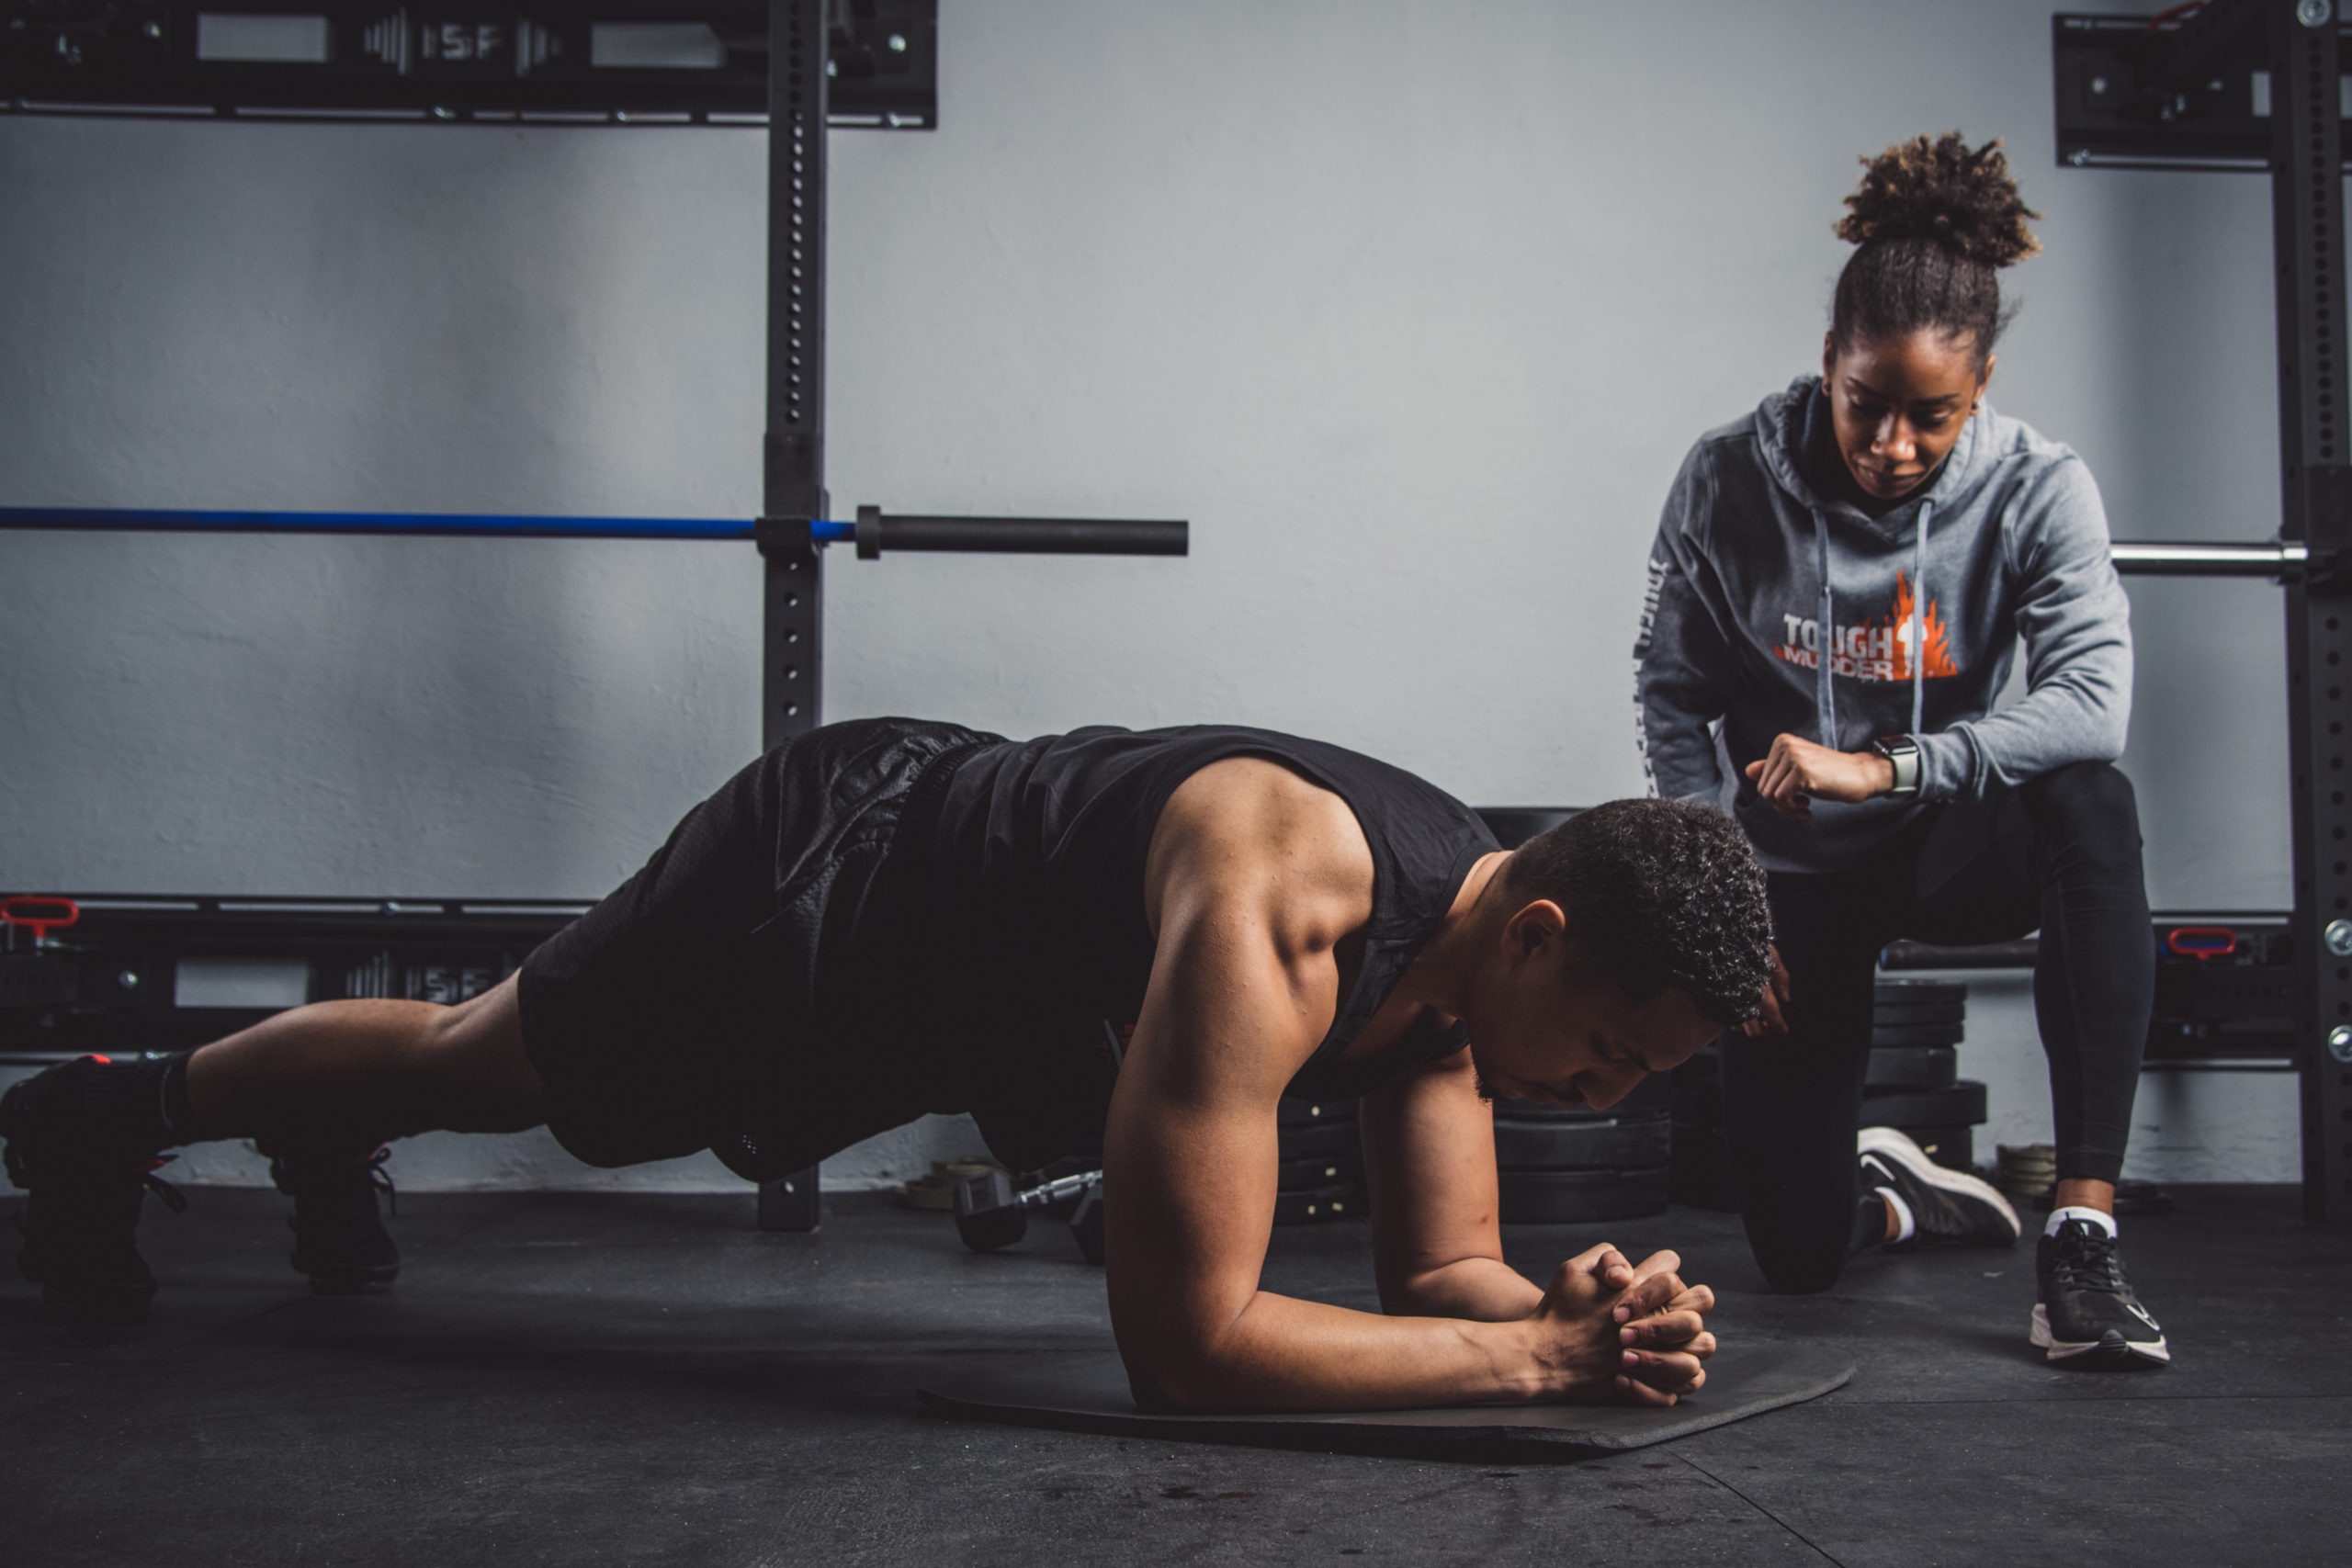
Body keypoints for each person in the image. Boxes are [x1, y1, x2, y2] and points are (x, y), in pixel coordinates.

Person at [3, 718, 1772, 1411]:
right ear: (1537, 935)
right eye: (1610, 1058)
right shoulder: (1285, 918)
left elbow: (1441, 1276)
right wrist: (1527, 1372)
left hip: (952, 970)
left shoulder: (1464, 972)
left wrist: (1576, 1307)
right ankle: (114, 1107)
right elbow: (1191, 1348)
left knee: (538, 1098)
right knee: (496, 1067)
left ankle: (318, 1138)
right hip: (831, 872)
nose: (1598, 1105)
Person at [1635, 132, 2165, 1369]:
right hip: (1794, 876)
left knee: (2091, 803)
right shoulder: (1727, 480)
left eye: (1931, 417)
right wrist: (1725, 896)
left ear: (1979, 388)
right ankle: (1894, 1193)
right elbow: (1672, 696)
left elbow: (2093, 700)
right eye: (1866, 402)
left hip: (1940, 842)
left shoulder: (2039, 486)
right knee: (1797, 1259)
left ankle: (2083, 1238)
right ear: (1827, 360)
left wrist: (1888, 769)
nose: (1891, 444)